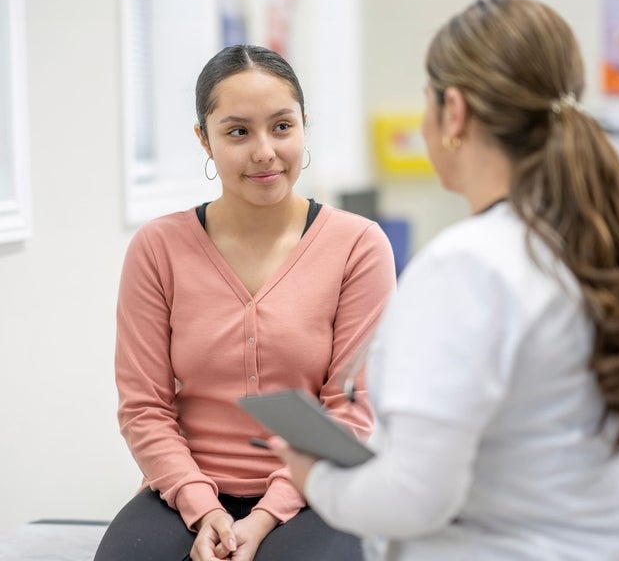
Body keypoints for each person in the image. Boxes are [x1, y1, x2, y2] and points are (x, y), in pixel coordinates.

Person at [270, 0, 619, 560]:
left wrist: (314, 478)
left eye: (427, 100)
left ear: (454, 112)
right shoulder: (594, 245)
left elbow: (415, 497)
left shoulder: (470, 266)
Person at [93, 44, 397, 561]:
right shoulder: (158, 248)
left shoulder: (359, 245)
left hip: (314, 490)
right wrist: (202, 506)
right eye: (238, 132)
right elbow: (143, 407)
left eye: (282, 126)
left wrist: (265, 514)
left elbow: (350, 409)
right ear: (204, 140)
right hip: (184, 489)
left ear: (304, 125)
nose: (264, 151)